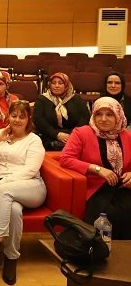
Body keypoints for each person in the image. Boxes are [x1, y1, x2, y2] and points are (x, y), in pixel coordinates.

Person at [0, 100, 46, 286]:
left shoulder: (34, 140)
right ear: (8, 117)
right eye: (13, 116)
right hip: (8, 191)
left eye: (22, 117)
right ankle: (11, 258)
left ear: (28, 119)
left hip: (32, 187)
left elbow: (30, 170)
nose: (17, 120)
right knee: (14, 210)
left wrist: (2, 183)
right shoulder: (2, 135)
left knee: (3, 192)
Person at [60, 97, 131, 239]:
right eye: (99, 114)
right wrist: (97, 169)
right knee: (108, 214)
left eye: (109, 114)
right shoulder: (82, 133)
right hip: (97, 189)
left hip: (122, 187)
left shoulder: (127, 136)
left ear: (118, 116)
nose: (103, 119)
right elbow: (66, 159)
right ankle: (103, 248)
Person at [34, 72, 90, 151]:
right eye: (53, 83)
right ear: (50, 85)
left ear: (66, 85)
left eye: (60, 83)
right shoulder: (42, 99)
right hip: (49, 135)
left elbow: (85, 118)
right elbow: (38, 120)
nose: (56, 86)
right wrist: (57, 134)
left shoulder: (76, 99)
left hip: (74, 135)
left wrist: (72, 134)